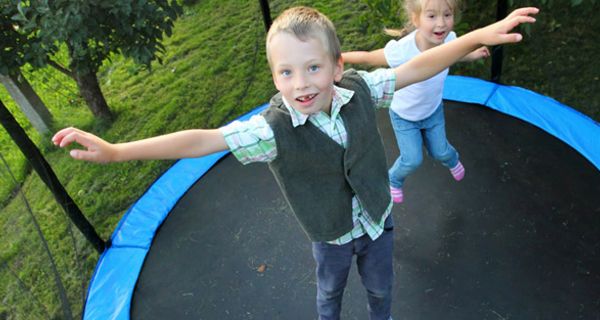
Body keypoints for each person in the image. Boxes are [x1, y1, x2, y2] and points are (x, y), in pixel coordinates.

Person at [52, 6, 537, 320]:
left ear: (337, 67)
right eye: (286, 71)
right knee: (329, 293)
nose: (301, 82)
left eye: (313, 68)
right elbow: (203, 140)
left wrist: (473, 34)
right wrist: (117, 151)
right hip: (328, 236)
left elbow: (417, 67)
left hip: (377, 221)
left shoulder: (362, 91)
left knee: (381, 287)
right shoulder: (270, 129)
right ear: (274, 76)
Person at [343, 0, 490, 203]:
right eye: (431, 16)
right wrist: (338, 58)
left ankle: (452, 159)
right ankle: (394, 179)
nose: (441, 24)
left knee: (441, 151)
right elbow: (368, 57)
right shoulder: (403, 50)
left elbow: (455, 54)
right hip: (405, 117)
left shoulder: (451, 40)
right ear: (416, 19)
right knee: (412, 159)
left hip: (433, 111)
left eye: (447, 15)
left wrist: (472, 54)